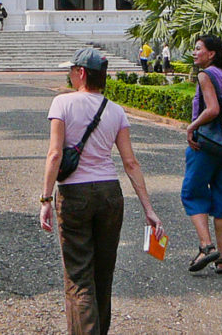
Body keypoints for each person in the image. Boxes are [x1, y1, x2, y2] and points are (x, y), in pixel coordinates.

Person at [40, 47, 163, 334]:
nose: (69, 76)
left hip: (74, 194)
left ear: (81, 73)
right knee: (102, 276)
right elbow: (130, 162)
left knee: (79, 278)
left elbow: (54, 155)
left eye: (71, 71)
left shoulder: (62, 104)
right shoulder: (115, 110)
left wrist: (46, 199)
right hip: (110, 193)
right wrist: (149, 210)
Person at [183, 35, 222, 275]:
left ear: (211, 54)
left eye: (199, 49)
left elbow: (213, 109)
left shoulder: (205, 74)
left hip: (206, 145)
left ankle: (207, 246)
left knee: (191, 192)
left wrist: (191, 127)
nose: (194, 53)